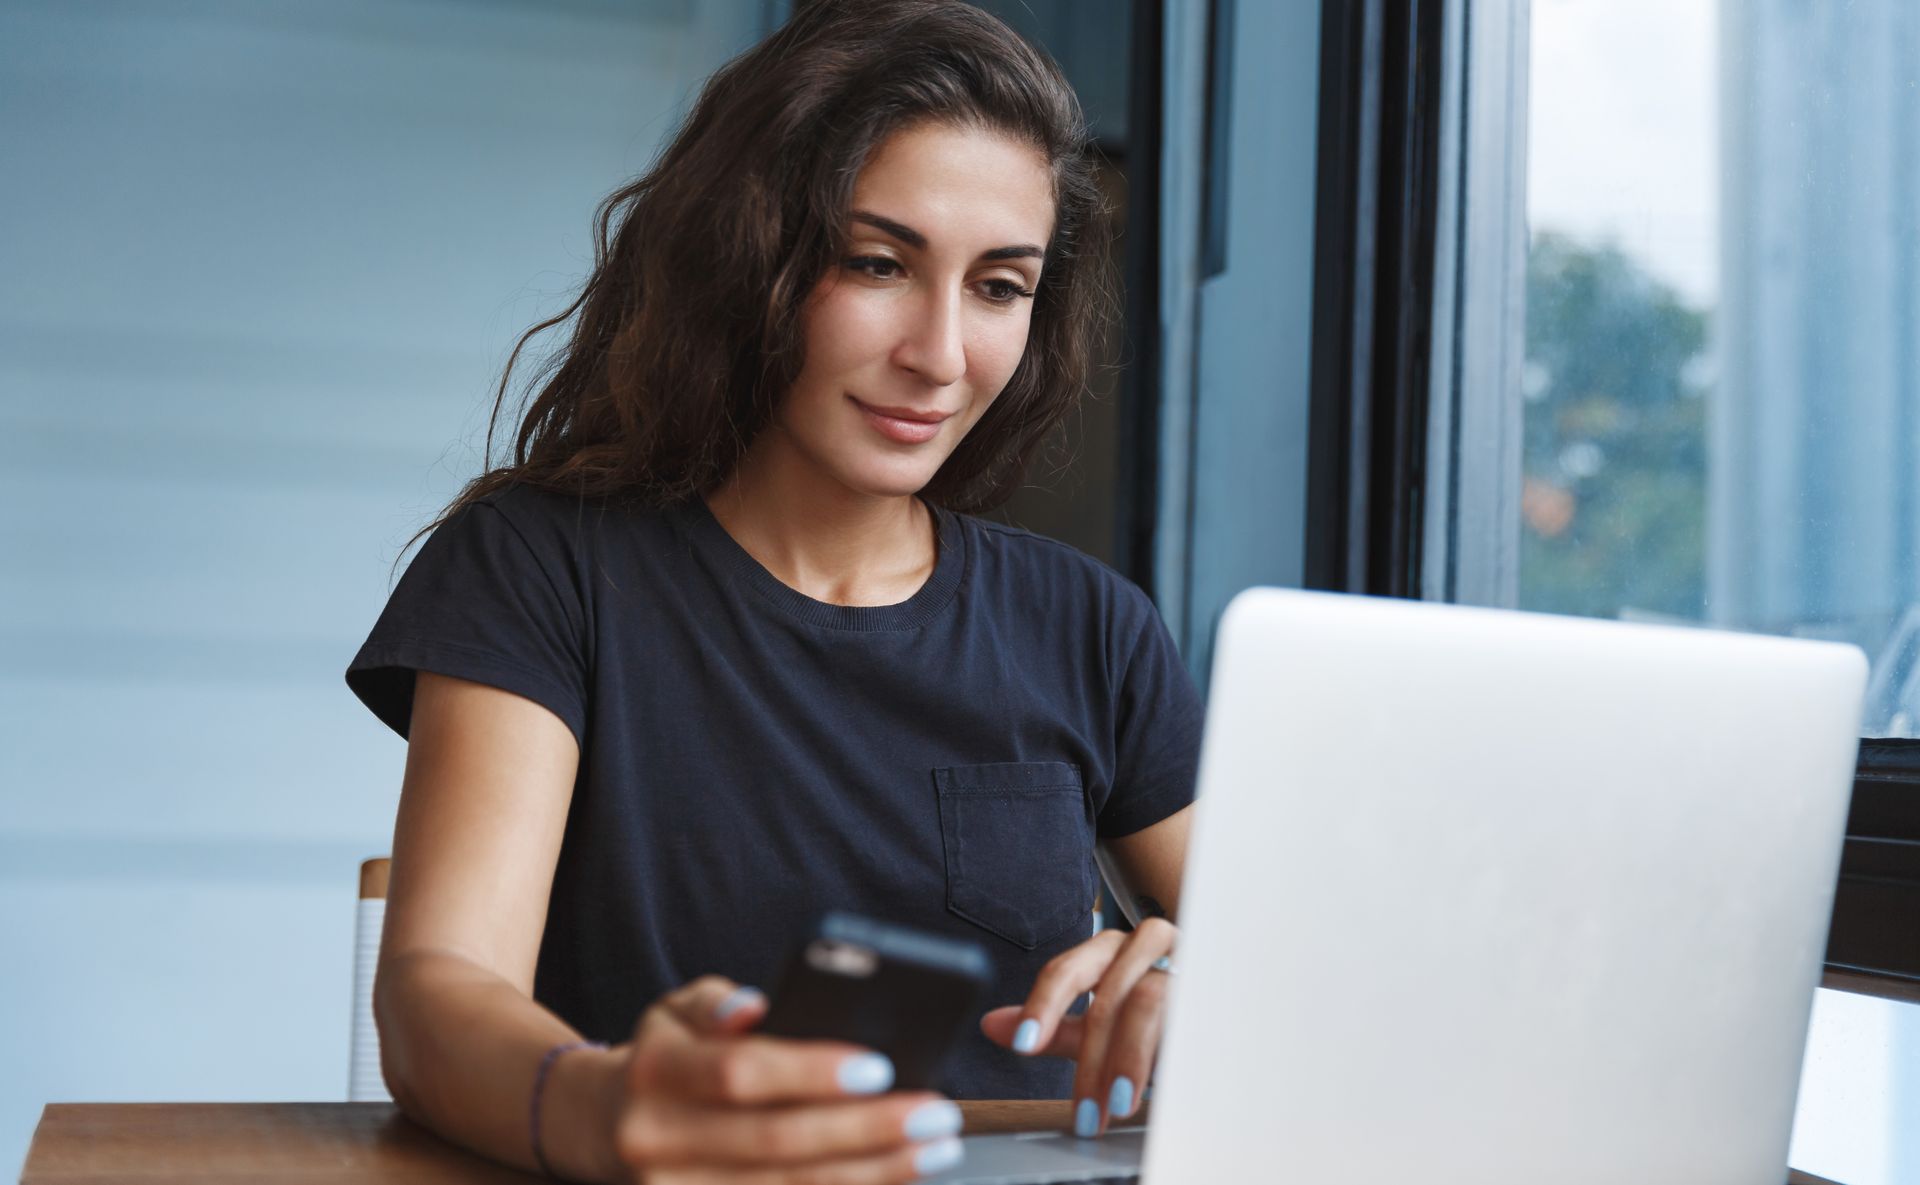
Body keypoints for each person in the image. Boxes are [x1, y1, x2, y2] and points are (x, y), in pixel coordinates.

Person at [344, 2, 1204, 1181]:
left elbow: (1293, 972)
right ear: (749, 259)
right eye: (877, 264)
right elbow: (439, 992)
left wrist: (1196, 984)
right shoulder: (540, 569)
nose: (942, 354)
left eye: (1000, 286)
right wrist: (607, 1106)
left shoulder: (1090, 624)